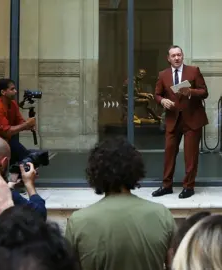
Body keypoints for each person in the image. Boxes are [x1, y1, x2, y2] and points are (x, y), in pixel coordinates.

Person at [65, 137, 176, 270]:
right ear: (136, 170)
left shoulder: (78, 222)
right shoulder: (162, 215)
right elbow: (176, 265)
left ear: (95, 173)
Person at [152, 45, 209, 199]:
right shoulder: (163, 75)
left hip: (192, 119)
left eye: (179, 55)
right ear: (168, 58)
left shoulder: (193, 71)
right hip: (172, 120)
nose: (176, 58)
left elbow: (204, 92)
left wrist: (190, 91)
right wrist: (162, 100)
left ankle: (188, 187)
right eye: (173, 56)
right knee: (169, 154)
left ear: (182, 56)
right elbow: (156, 95)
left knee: (191, 156)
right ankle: (166, 186)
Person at [0, 78, 36, 165]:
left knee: (26, 158)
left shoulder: (13, 104)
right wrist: (26, 125)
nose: (15, 91)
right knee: (25, 158)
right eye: (12, 89)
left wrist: (29, 125)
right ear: (3, 92)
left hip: (5, 141)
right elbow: (7, 132)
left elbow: (20, 122)